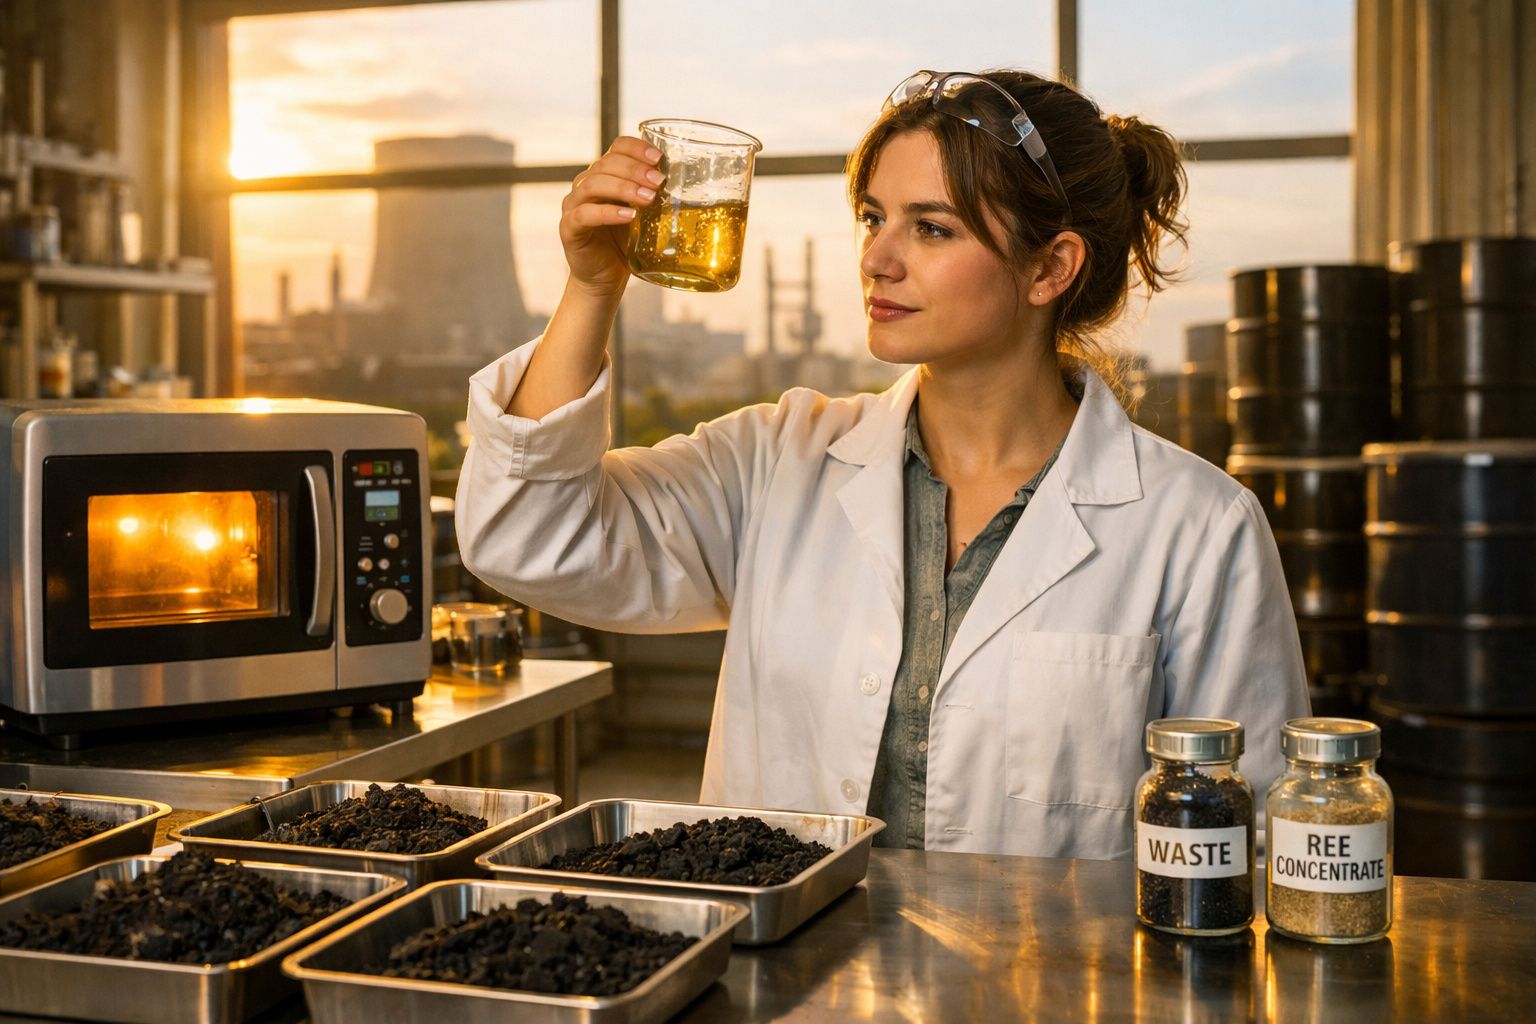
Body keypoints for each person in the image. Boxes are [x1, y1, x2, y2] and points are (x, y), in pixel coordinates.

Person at [457, 69, 1309, 859]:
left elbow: (1258, 840)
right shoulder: (778, 460)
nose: (877, 257)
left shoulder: (1196, 526)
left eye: (929, 227)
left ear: (1051, 267)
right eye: (874, 217)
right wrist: (592, 288)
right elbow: (532, 538)